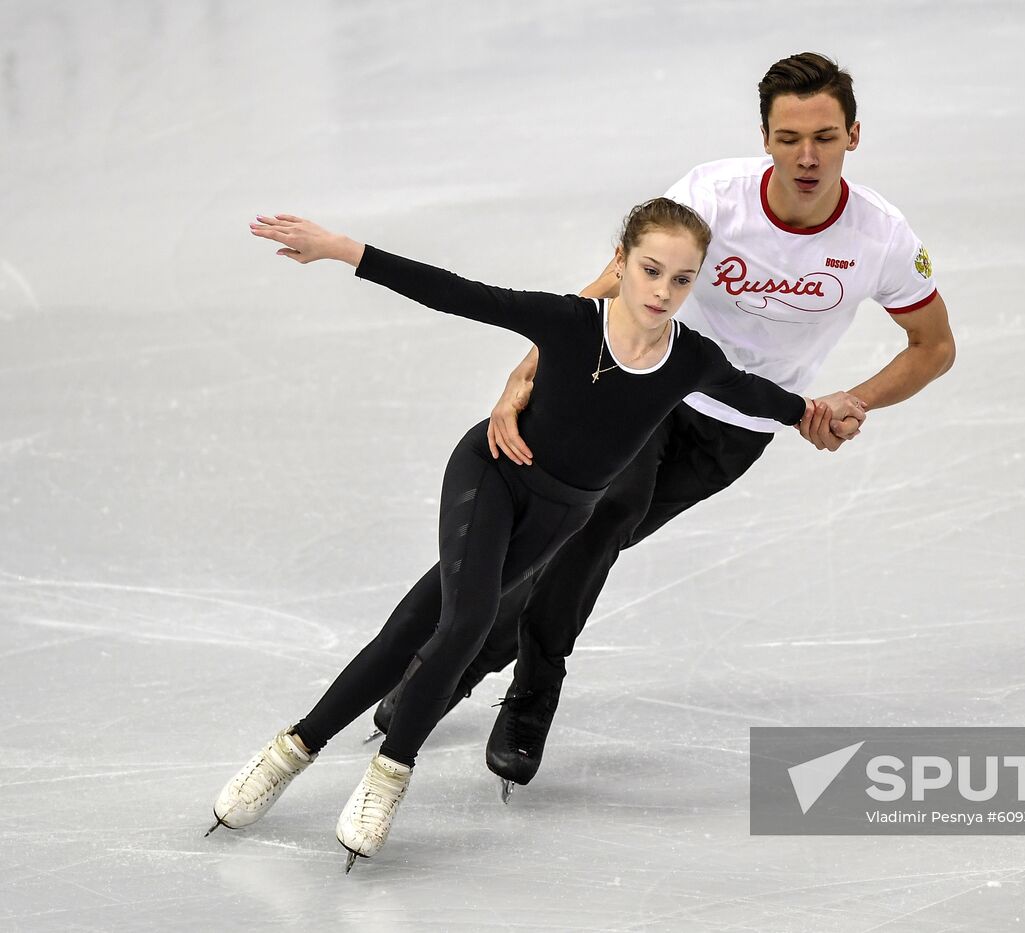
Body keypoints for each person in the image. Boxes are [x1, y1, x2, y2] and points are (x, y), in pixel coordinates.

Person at [371, 52, 957, 802]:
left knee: (579, 541)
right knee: (593, 517)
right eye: (788, 137)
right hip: (643, 383)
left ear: (854, 135)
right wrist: (529, 368)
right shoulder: (714, 194)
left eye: (825, 136)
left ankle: (455, 667)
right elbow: (619, 281)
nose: (806, 156)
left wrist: (854, 399)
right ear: (764, 137)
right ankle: (518, 692)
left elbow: (933, 347)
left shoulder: (881, 236)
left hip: (735, 428)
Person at [209, 199, 817, 871]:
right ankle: (379, 773)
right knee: (468, 620)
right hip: (493, 473)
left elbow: (750, 394)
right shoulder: (568, 321)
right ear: (619, 264)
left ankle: (293, 747)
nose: (662, 291)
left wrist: (812, 413)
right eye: (650, 270)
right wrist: (342, 247)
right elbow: (456, 293)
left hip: (559, 516)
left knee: (416, 624)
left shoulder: (688, 359)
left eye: (681, 279)